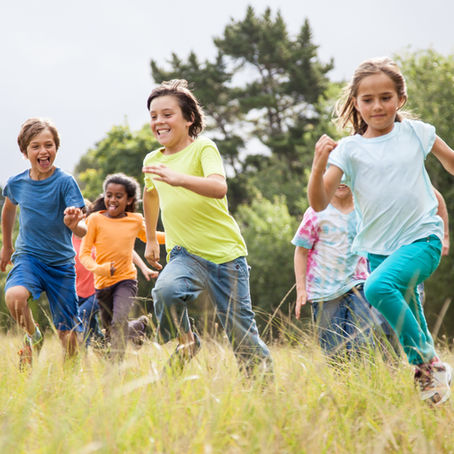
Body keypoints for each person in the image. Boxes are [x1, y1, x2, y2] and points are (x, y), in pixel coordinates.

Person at [307, 57, 454, 406]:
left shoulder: (416, 132)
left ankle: (426, 363)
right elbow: (318, 201)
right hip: (377, 251)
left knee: (376, 288)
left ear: (400, 99)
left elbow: (450, 160)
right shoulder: (349, 150)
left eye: (385, 97)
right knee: (409, 311)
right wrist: (317, 167)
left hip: (423, 239)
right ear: (356, 103)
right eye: (368, 99)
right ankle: (434, 384)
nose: (377, 106)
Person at [142, 79, 272, 377]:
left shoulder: (203, 148)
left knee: (241, 335)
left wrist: (179, 179)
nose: (159, 121)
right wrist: (151, 238)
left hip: (226, 256)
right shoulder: (152, 160)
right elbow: (149, 194)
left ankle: (262, 390)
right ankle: (187, 341)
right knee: (165, 291)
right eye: (153, 116)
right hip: (184, 254)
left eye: (167, 114)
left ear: (189, 119)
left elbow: (218, 187)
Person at [0, 118, 86, 368]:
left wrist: (73, 224)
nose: (43, 151)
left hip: (61, 265)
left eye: (49, 145)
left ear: (56, 148)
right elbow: (8, 209)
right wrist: (7, 246)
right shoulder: (16, 183)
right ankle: (34, 336)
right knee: (15, 297)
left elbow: (83, 228)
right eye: (35, 146)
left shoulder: (65, 182)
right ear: (25, 152)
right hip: (29, 258)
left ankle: (70, 378)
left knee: (68, 336)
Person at [79, 173, 164, 361]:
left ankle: (114, 370)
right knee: (111, 332)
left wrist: (178, 236)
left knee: (118, 323)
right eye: (109, 195)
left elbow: (152, 236)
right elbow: (84, 255)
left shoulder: (134, 220)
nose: (112, 200)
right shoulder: (94, 220)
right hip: (101, 286)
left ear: (129, 200)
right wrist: (101, 269)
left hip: (126, 281)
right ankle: (138, 327)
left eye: (119, 196)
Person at [293, 183, 377, 357]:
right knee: (333, 353)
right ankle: (341, 383)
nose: (341, 180)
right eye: (336, 172)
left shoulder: (365, 211)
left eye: (345, 172)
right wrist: (301, 289)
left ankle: (363, 380)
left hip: (359, 284)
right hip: (324, 292)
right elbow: (301, 251)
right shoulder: (316, 212)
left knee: (362, 344)